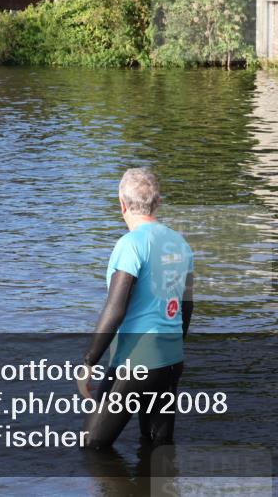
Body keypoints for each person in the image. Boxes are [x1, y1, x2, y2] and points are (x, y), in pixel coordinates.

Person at [78, 168, 195, 450]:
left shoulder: (129, 245)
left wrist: (89, 362)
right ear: (158, 202)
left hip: (136, 363)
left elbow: (115, 309)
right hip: (171, 361)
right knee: (157, 446)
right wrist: (172, 348)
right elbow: (186, 307)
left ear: (122, 203)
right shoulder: (181, 244)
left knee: (91, 447)